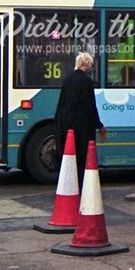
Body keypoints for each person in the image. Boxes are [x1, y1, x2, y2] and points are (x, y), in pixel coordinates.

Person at [54, 52, 106, 188]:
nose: (91, 68)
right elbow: (90, 105)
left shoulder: (67, 79)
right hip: (82, 124)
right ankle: (83, 185)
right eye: (91, 65)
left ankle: (70, 183)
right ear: (87, 64)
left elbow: (62, 103)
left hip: (66, 123)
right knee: (83, 156)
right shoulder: (86, 81)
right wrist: (99, 125)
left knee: (71, 155)